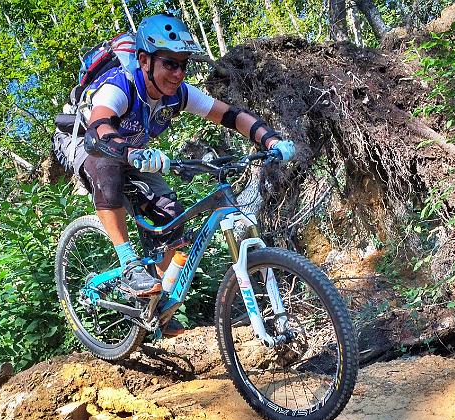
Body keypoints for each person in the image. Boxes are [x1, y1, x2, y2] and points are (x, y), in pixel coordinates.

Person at [79, 13, 295, 336]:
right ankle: (129, 263)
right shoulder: (120, 86)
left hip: (135, 155)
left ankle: (155, 305)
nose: (178, 73)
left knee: (172, 216)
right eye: (169, 63)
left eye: (183, 65)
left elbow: (230, 115)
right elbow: (98, 128)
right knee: (106, 167)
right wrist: (134, 154)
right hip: (89, 144)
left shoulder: (178, 93)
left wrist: (270, 140)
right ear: (144, 61)